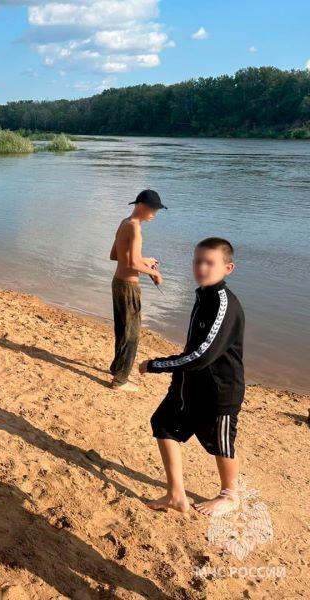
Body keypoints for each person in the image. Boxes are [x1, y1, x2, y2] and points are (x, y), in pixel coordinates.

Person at [139, 238, 245, 516]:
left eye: (209, 263)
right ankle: (175, 494)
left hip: (220, 389)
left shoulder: (224, 304)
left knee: (221, 444)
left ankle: (231, 495)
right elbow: (194, 349)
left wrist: (157, 365)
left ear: (228, 268)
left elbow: (202, 355)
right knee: (162, 424)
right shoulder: (203, 295)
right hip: (191, 382)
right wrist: (176, 377)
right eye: (197, 261)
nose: (201, 267)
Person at [108, 189, 166, 392]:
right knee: (131, 335)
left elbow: (116, 255)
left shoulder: (125, 223)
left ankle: (116, 368)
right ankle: (120, 380)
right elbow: (131, 262)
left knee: (122, 330)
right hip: (129, 287)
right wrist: (154, 273)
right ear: (140, 206)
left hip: (118, 282)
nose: (155, 214)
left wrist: (145, 260)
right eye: (152, 209)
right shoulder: (135, 228)